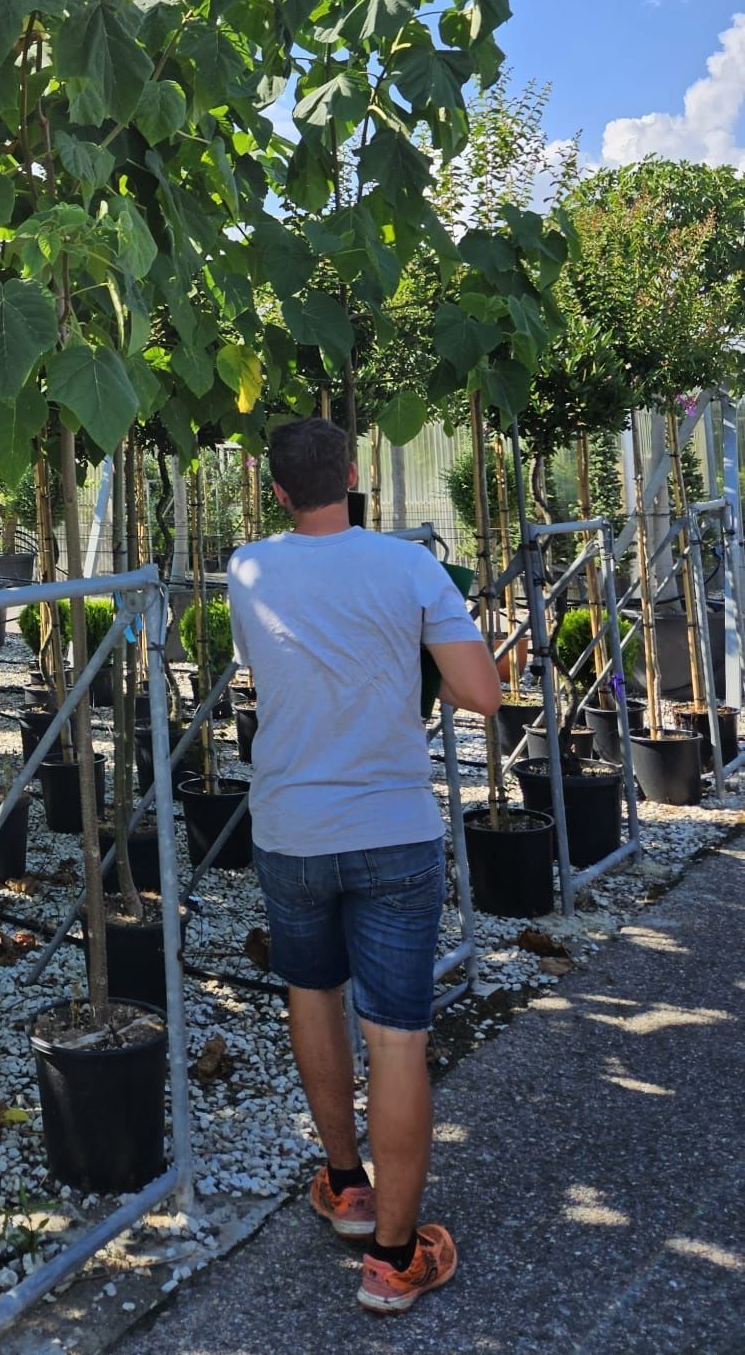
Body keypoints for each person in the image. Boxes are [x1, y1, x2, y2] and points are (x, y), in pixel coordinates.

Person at [226, 417, 501, 1315]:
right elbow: (478, 695)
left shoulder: (246, 568)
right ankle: (391, 1258)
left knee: (314, 995)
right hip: (391, 830)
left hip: (291, 830)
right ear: (352, 475)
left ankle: (345, 1186)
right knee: (397, 1038)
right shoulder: (410, 566)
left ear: (274, 491)